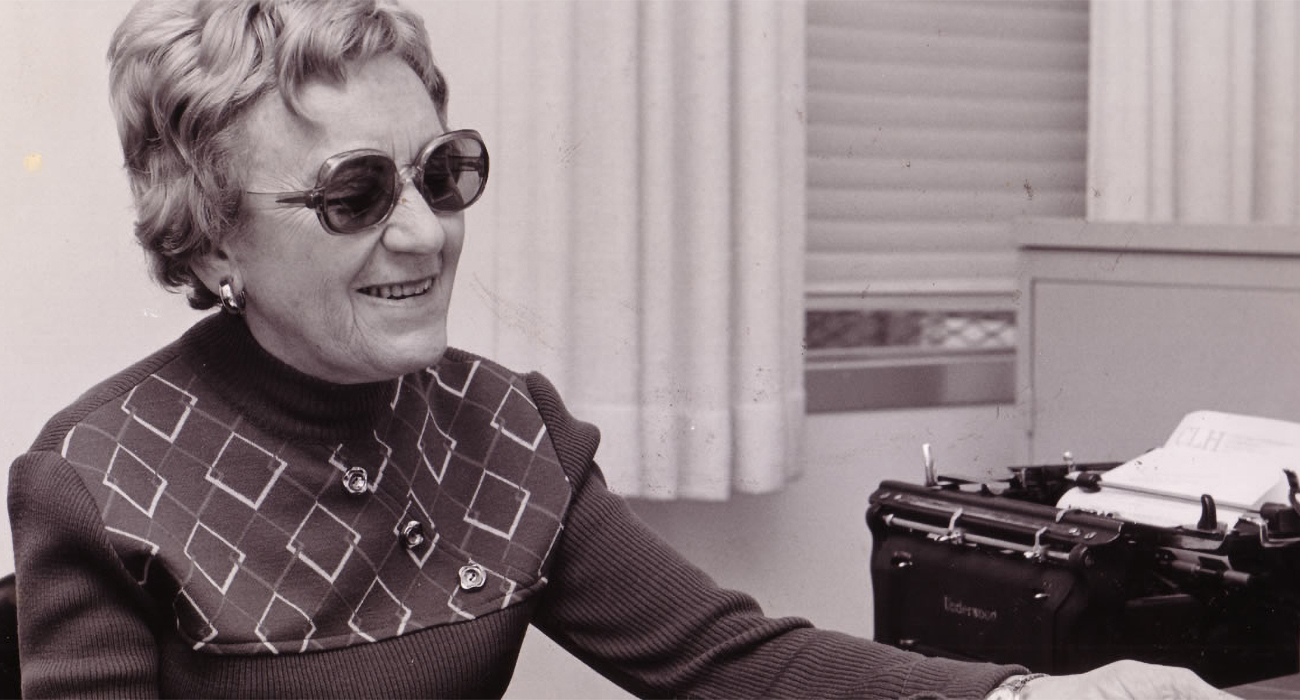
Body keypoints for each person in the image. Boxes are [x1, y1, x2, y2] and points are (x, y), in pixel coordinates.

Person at [6, 1, 1230, 698]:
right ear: (209, 235)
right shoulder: (98, 482)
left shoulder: (504, 428)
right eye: (355, 193)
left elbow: (723, 657)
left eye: (443, 172)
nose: (426, 230)